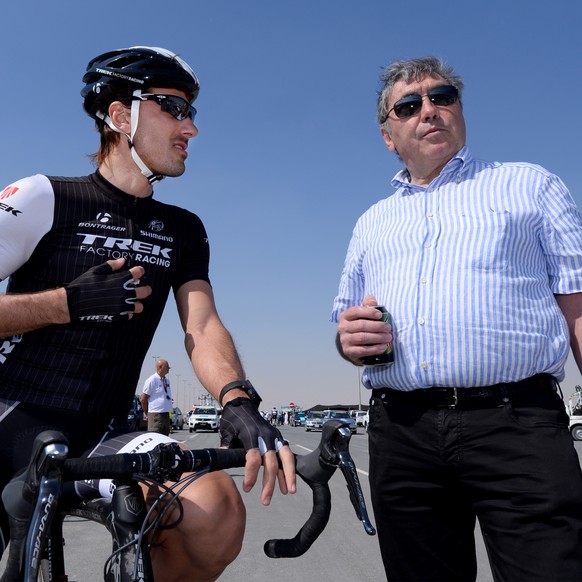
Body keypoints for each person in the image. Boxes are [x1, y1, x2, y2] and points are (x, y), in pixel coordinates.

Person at [0, 45, 295, 581]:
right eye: (174, 109)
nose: (192, 129)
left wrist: (236, 398)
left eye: (192, 113)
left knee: (215, 509)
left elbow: (201, 326)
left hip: (101, 432)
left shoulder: (184, 228)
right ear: (120, 116)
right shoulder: (44, 197)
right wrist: (65, 304)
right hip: (9, 414)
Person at [331, 56, 582, 582]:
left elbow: (578, 305)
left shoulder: (529, 186)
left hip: (516, 424)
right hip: (402, 432)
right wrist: (348, 340)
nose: (430, 110)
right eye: (410, 104)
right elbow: (346, 325)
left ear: (459, 111)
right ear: (388, 135)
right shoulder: (371, 222)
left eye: (442, 97)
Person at [141, 358, 173, 435]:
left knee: (165, 438)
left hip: (165, 414)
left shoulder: (166, 380)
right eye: (167, 367)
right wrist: (148, 413)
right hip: (156, 415)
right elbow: (143, 399)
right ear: (160, 367)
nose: (169, 368)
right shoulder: (152, 380)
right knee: (155, 436)